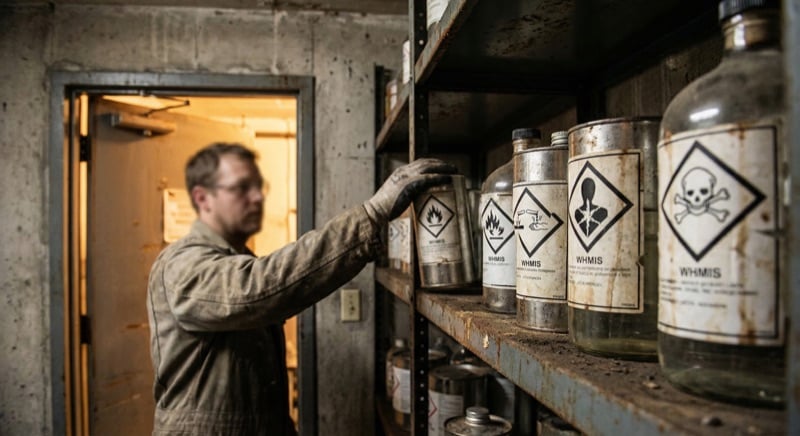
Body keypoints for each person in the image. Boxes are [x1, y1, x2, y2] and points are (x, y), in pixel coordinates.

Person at [146, 142, 456, 435]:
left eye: (259, 187)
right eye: (241, 187)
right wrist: (372, 214)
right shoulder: (181, 264)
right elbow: (257, 287)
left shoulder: (235, 258)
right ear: (203, 198)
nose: (256, 198)